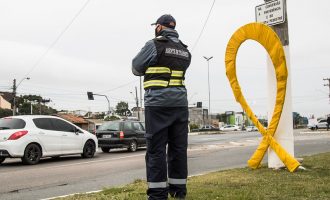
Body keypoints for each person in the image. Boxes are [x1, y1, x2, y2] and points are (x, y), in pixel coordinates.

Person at [132, 14, 191, 200]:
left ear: (159, 27)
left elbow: (135, 67)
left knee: (156, 150)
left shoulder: (154, 45)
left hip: (157, 105)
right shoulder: (185, 51)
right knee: (178, 149)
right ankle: (178, 191)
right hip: (180, 106)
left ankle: (158, 194)